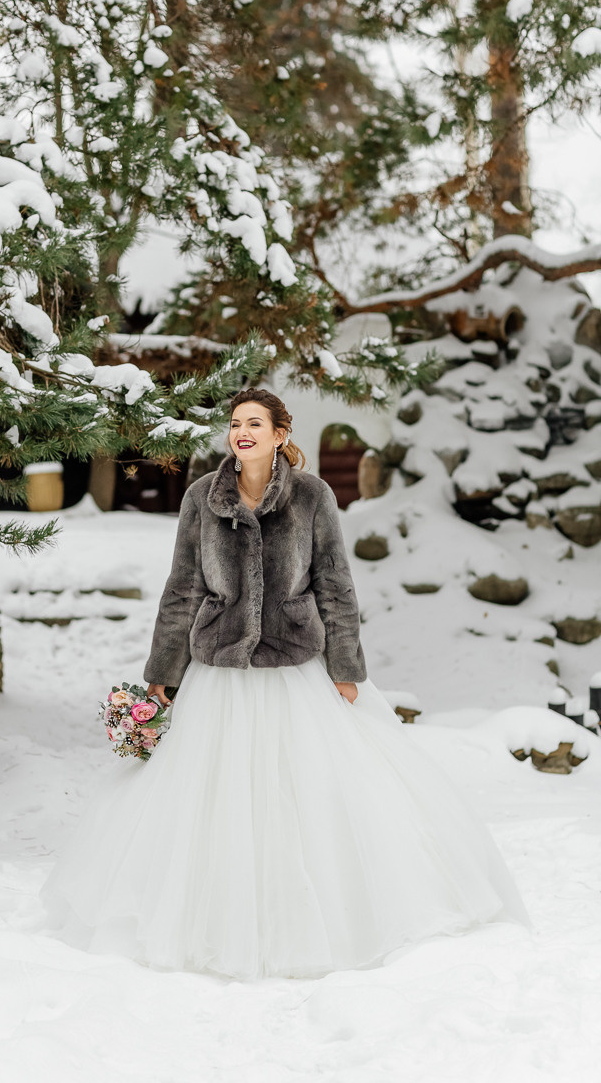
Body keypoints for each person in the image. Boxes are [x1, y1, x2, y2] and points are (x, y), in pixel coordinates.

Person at [39, 388, 530, 980]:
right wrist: (162, 676)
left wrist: (346, 668)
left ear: (279, 434)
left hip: (296, 664)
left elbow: (336, 585)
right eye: (234, 423)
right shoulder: (201, 497)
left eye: (254, 423)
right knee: (208, 803)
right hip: (218, 671)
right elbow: (181, 590)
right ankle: (209, 926)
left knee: (311, 799)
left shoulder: (313, 496)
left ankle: (328, 922)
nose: (241, 432)